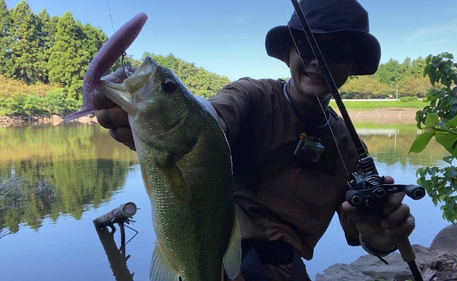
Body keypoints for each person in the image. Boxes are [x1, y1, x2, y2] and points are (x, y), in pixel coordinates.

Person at [93, 0, 415, 280]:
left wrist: (380, 236)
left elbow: (364, 233)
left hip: (287, 271)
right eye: (308, 47)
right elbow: (210, 119)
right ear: (287, 53)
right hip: (214, 258)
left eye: (339, 52)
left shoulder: (349, 147)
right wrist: (151, 119)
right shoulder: (251, 95)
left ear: (353, 66)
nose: (319, 60)